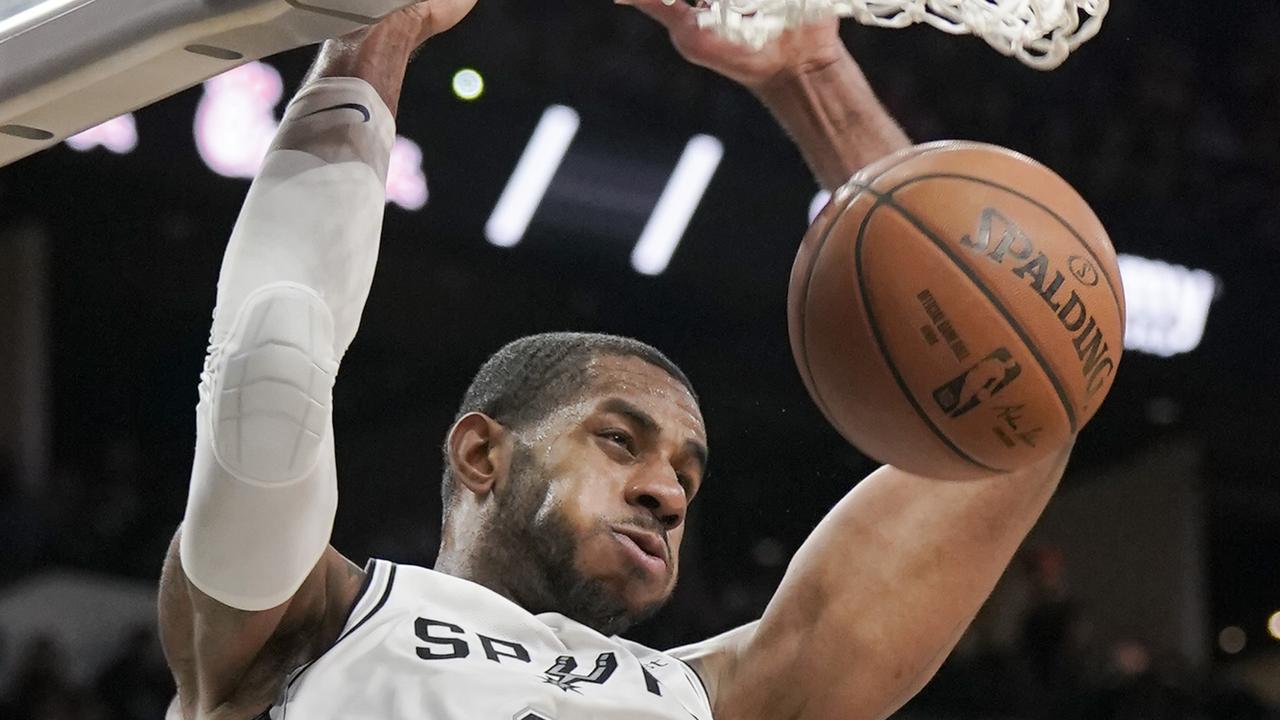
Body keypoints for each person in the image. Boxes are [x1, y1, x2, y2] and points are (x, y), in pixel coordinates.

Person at [157, 2, 1075, 718]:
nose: (668, 493)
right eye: (620, 439)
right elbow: (269, 373)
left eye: (686, 474)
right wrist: (381, 27)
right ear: (481, 453)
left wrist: (814, 76)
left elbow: (1013, 420)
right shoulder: (312, 627)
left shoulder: (719, 698)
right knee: (270, 388)